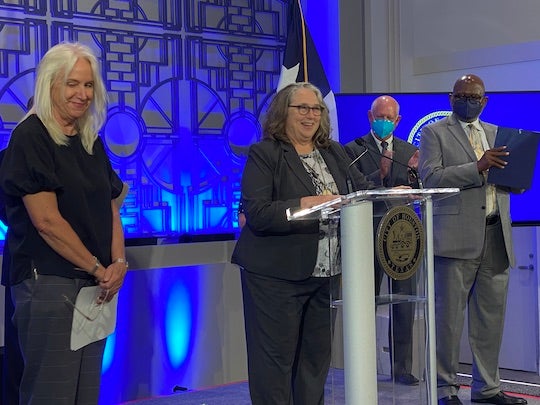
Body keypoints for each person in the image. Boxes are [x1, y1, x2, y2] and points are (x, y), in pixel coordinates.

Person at [0, 42, 127, 405]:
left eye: (88, 85)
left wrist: (117, 263)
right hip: (50, 283)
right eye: (72, 84)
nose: (82, 94)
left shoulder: (90, 141)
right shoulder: (31, 136)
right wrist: (96, 266)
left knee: (85, 394)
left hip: (96, 286)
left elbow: (111, 207)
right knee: (51, 393)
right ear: (51, 84)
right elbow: (46, 221)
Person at [231, 82, 374, 404]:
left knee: (314, 362)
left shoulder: (334, 152)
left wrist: (394, 193)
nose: (311, 115)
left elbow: (362, 191)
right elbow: (256, 212)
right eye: (303, 108)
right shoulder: (265, 153)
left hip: (325, 274)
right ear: (284, 112)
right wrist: (304, 203)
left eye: (316, 109)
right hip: (275, 276)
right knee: (275, 363)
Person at [419, 74, 526, 405]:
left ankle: (487, 389)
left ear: (485, 101)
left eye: (474, 96)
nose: (467, 100)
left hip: (496, 235)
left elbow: (510, 182)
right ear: (450, 98)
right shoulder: (434, 133)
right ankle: (445, 390)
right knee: (447, 322)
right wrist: (476, 166)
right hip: (454, 239)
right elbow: (431, 178)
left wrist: (518, 177)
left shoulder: (496, 133)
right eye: (461, 95)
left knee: (490, 321)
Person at [345, 95, 420, 386]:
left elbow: (416, 189)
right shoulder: (353, 150)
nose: (384, 121)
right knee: (367, 302)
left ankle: (402, 368)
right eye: (379, 116)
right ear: (369, 116)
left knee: (404, 302)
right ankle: (364, 365)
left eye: (390, 117)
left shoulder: (409, 151)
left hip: (402, 239)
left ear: (398, 121)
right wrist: (382, 173)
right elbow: (351, 188)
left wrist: (416, 176)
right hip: (366, 236)